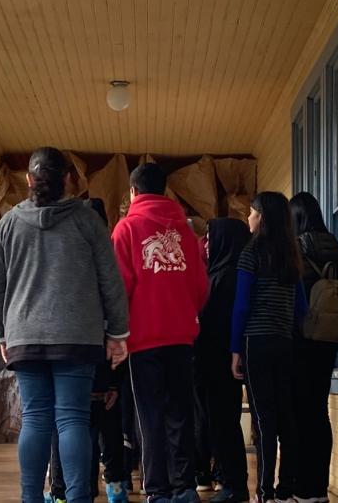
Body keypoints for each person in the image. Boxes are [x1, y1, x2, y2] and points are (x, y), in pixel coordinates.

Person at [0, 147, 130, 503]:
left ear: (29, 180)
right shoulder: (87, 221)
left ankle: (31, 498)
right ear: (68, 179)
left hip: (25, 335)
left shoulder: (8, 224)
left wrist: (1, 333)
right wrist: (117, 332)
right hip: (77, 337)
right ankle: (80, 498)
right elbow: (110, 280)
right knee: (72, 420)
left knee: (35, 419)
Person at [111, 163, 209, 503]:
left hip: (143, 339)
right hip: (181, 337)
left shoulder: (126, 230)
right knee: (181, 413)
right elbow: (200, 287)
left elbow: (118, 288)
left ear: (133, 192)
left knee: (149, 415)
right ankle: (185, 487)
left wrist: (116, 333)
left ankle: (157, 489)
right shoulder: (186, 232)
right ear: (165, 191)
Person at [46, 198, 131, 503]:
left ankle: (63, 492)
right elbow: (118, 319)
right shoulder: (110, 264)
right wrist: (115, 379)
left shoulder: (62, 263)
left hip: (70, 358)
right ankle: (116, 489)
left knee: (67, 426)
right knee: (106, 426)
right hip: (106, 361)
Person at [230, 192, 307, 503]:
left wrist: (235, 348)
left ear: (262, 217)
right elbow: (301, 307)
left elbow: (241, 306)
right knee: (285, 414)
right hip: (284, 341)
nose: (248, 219)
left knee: (264, 418)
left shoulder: (251, 254)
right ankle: (286, 486)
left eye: (251, 213)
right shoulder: (292, 255)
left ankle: (264, 491)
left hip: (255, 341)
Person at [288, 192, 338, 503]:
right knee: (318, 412)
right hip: (328, 339)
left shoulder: (297, 247)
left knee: (298, 413)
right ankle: (319, 488)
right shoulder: (332, 244)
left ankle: (302, 486)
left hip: (302, 338)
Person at [196, 218, 252, 503]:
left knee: (223, 423)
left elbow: (216, 324)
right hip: (217, 364)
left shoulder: (225, 278)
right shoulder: (223, 273)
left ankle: (234, 483)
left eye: (210, 236)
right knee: (220, 422)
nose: (206, 242)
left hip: (219, 364)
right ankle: (228, 479)